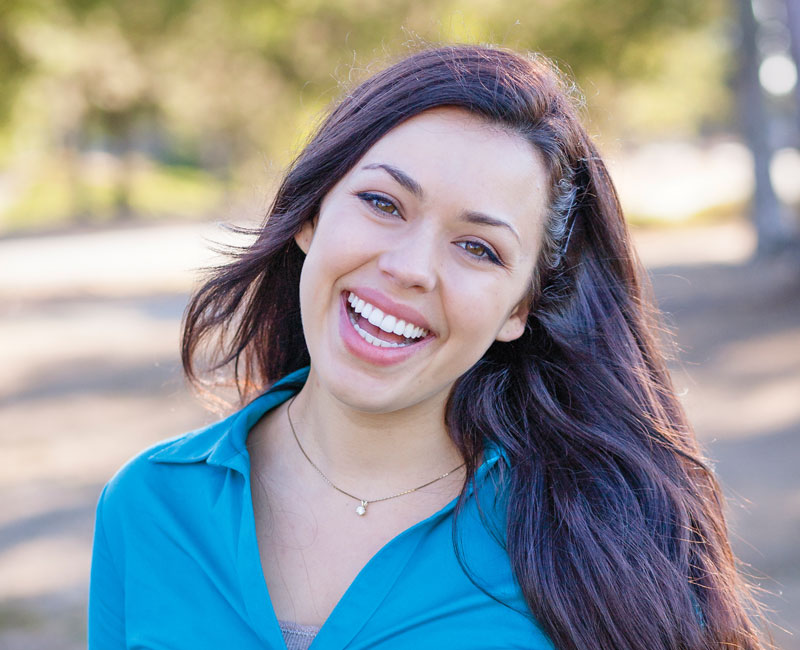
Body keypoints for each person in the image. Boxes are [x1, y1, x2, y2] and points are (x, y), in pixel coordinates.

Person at [89, 45, 767, 649]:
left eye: (478, 248)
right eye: (384, 204)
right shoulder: (149, 506)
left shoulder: (606, 545)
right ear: (311, 215)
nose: (412, 267)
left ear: (519, 309)